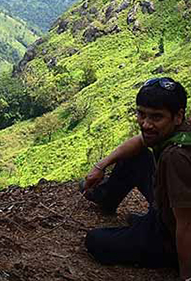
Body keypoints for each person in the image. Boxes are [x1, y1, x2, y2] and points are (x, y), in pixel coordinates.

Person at [81, 77, 191, 281]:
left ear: (177, 116)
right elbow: (140, 141)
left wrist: (186, 275)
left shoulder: (177, 157)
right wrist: (100, 167)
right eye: (141, 114)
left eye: (156, 117)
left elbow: (186, 224)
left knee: (97, 241)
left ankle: (147, 230)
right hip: (166, 206)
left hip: (169, 233)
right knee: (137, 155)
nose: (146, 124)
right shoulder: (181, 129)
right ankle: (105, 197)